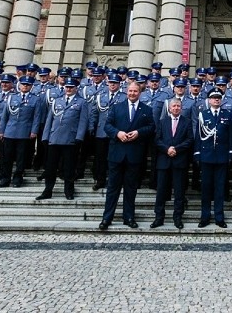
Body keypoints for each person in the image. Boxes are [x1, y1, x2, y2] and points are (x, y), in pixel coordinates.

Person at [98, 83, 155, 230]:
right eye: (130, 90)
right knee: (112, 188)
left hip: (134, 155)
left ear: (140, 92)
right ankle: (107, 217)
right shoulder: (116, 107)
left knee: (131, 189)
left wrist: (139, 132)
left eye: (135, 91)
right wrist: (118, 133)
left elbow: (151, 127)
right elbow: (107, 125)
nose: (132, 93)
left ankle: (129, 217)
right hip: (116, 153)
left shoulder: (147, 109)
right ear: (126, 91)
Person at [36, 78, 89, 201]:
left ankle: (69, 191)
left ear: (76, 88)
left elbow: (83, 121)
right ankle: (48, 190)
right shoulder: (57, 101)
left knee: (69, 168)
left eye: (71, 87)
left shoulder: (81, 102)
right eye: (67, 87)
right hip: (54, 138)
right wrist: (45, 136)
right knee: (50, 167)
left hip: (70, 139)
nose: (68, 89)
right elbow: (50, 119)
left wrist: (79, 137)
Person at [151, 98, 193, 229]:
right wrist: (167, 149)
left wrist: (176, 149)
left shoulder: (187, 122)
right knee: (161, 191)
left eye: (178, 106)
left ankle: (178, 217)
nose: (175, 108)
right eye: (173, 106)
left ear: (181, 108)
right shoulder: (162, 122)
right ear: (169, 108)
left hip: (179, 161)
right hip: (164, 161)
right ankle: (159, 218)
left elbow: (190, 139)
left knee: (179, 192)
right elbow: (157, 140)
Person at [194, 90, 232, 228]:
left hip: (221, 156)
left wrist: (230, 153)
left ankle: (219, 217)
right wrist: (197, 153)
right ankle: (205, 216)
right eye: (213, 98)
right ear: (209, 100)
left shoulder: (227, 114)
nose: (216, 100)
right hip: (206, 156)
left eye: (218, 98)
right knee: (206, 188)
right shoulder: (203, 115)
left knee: (220, 188)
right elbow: (198, 135)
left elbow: (230, 135)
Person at [0, 75, 42, 188]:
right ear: (19, 85)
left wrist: (34, 131)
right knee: (7, 157)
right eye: (23, 84)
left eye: (28, 85)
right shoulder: (12, 97)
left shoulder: (35, 99)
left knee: (21, 158)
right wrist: (1, 130)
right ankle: (5, 178)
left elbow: (37, 117)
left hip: (24, 132)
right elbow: (5, 116)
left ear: (31, 86)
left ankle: (18, 178)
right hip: (10, 131)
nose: (25, 86)